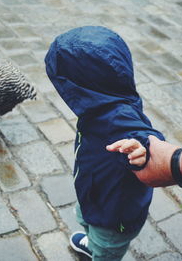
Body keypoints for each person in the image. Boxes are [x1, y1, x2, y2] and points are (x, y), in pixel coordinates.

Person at [44, 26, 164, 260]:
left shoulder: (119, 116)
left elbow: (147, 138)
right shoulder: (102, 102)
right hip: (95, 194)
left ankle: (100, 252)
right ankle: (92, 242)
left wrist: (144, 151)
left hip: (114, 216)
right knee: (86, 218)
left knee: (106, 249)